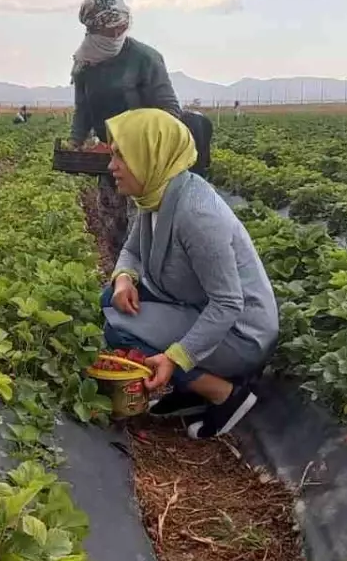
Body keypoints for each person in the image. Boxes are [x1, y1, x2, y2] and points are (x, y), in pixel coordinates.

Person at [99, 109, 274, 439]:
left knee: (119, 329)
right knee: (112, 298)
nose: (112, 167)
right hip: (194, 304)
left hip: (240, 333)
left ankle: (224, 393)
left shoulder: (197, 215)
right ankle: (188, 390)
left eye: (121, 155)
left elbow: (227, 304)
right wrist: (124, 277)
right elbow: (132, 250)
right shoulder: (155, 194)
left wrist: (176, 358)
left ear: (149, 154)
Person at [68, 0, 181, 254]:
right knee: (113, 227)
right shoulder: (85, 63)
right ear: (93, 28)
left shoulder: (144, 58)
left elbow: (170, 111)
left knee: (141, 231)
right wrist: (76, 143)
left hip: (145, 162)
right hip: (111, 162)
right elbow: (83, 108)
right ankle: (121, 277)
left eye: (122, 26)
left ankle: (143, 286)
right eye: (111, 28)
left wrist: (131, 142)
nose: (119, 31)